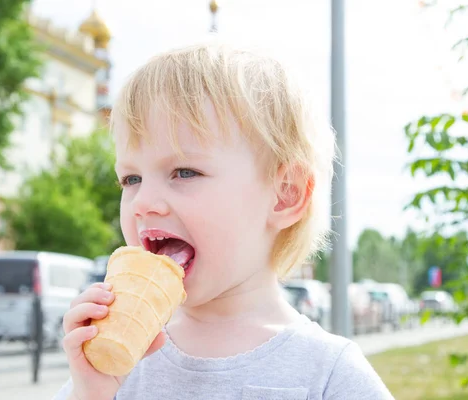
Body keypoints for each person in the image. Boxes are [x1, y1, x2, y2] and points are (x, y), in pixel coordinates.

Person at [53, 42, 393, 400]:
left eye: (184, 172)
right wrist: (90, 391)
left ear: (285, 195)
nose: (144, 203)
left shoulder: (328, 372)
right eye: (131, 179)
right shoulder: (118, 367)